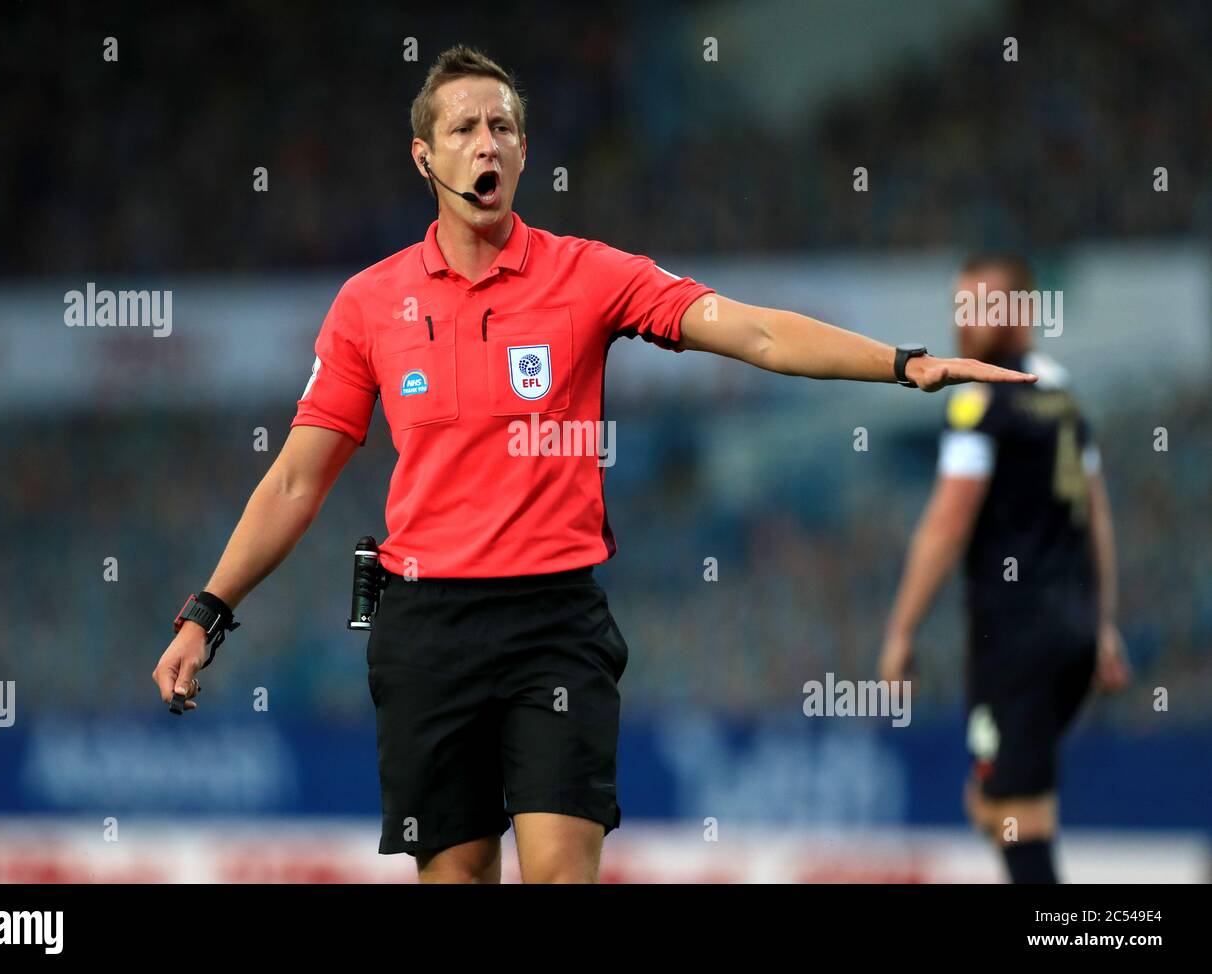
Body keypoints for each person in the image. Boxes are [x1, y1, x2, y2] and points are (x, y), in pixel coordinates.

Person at [153, 46, 1034, 884]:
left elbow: (753, 330)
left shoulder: (587, 277)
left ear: (526, 151)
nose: (486, 142)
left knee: (562, 870)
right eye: (463, 129)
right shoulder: (371, 304)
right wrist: (208, 612)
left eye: (502, 126)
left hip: (554, 623)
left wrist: (903, 362)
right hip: (425, 628)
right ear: (424, 158)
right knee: (455, 871)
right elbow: (298, 480)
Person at [879, 254, 1130, 884]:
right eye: (959, 306)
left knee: (1016, 816)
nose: (965, 321)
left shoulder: (980, 400)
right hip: (1068, 636)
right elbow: (1096, 515)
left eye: (980, 306)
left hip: (1018, 642)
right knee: (995, 805)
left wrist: (901, 631)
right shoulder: (1063, 395)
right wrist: (1101, 625)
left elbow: (948, 520)